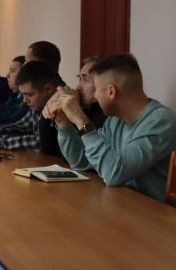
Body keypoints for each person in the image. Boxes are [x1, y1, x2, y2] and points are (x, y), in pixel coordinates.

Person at [51, 54, 176, 202]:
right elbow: (82, 163)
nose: (96, 96)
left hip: (152, 213)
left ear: (111, 91)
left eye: (96, 89)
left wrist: (82, 121)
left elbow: (114, 174)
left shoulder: (161, 122)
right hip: (122, 204)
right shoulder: (114, 120)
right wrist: (63, 124)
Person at [0, 60, 62, 156]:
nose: (25, 101)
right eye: (23, 95)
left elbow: (39, 143)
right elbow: (21, 126)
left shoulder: (61, 106)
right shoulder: (39, 105)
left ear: (48, 89)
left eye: (29, 95)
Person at [44, 55, 106, 129]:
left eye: (85, 79)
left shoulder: (107, 117)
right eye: (80, 79)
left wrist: (76, 113)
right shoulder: (88, 109)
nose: (78, 86)